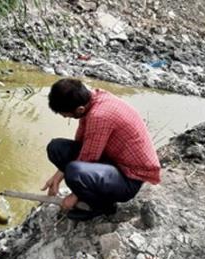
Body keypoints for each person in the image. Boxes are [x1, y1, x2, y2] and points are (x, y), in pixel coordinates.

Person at [41, 78, 161, 221]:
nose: (66, 117)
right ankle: (92, 196)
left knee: (74, 172)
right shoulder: (93, 99)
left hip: (130, 178)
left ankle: (103, 207)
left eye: (67, 115)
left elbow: (88, 158)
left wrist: (73, 196)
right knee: (56, 147)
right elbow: (80, 143)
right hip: (114, 162)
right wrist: (57, 176)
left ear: (79, 109)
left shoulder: (99, 116)